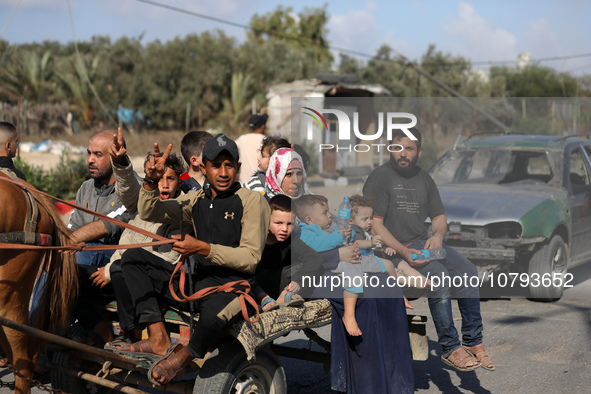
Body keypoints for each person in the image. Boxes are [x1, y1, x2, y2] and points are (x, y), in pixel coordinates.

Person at [115, 133, 270, 385]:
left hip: (233, 287)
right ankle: (157, 337)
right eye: (215, 165)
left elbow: (251, 258)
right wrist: (150, 183)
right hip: (195, 283)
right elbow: (150, 211)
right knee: (132, 258)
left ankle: (184, 355)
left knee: (212, 319)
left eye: (229, 165)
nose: (222, 172)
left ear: (238, 168)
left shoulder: (252, 201)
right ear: (203, 168)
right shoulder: (195, 200)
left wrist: (202, 248)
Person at [363, 127, 495, 371]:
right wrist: (404, 252)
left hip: (420, 243)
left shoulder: (424, 179)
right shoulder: (379, 178)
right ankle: (450, 347)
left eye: (409, 148)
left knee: (467, 270)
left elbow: (439, 217)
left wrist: (438, 235)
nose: (403, 153)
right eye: (397, 147)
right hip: (389, 250)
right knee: (439, 276)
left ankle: (473, 340)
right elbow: (376, 227)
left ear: (419, 151)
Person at [74, 129, 190, 347]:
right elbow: (127, 189)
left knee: (122, 267)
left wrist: (109, 269)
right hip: (123, 269)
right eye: (158, 178)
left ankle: (131, 331)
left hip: (156, 278)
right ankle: (100, 328)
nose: (164, 185)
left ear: (180, 183)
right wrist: (121, 161)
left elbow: (166, 257)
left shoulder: (184, 208)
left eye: (170, 179)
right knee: (70, 274)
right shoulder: (144, 202)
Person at [295, 194, 417, 337]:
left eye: (328, 211)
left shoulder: (329, 224)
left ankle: (399, 293)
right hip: (337, 262)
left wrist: (349, 232)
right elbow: (316, 246)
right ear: (309, 219)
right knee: (354, 278)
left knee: (388, 265)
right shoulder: (305, 232)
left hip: (352, 256)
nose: (329, 215)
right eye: (324, 213)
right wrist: (337, 237)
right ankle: (349, 314)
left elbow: (349, 237)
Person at [252, 194, 323, 311]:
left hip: (281, 282)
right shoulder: (256, 239)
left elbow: (314, 258)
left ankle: (287, 294)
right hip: (258, 287)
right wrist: (263, 296)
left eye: (289, 224)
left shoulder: (290, 238)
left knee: (310, 266)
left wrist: (297, 281)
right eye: (278, 223)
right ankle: (266, 300)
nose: (284, 229)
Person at [236, 113, 267, 184]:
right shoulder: (267, 141)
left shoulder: (242, 139)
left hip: (244, 184)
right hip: (261, 184)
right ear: (263, 126)